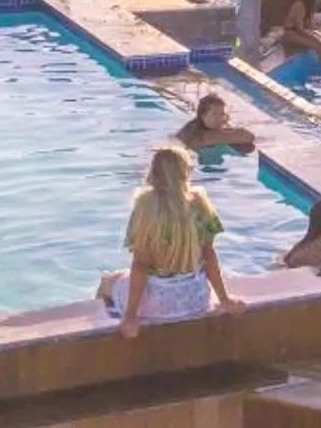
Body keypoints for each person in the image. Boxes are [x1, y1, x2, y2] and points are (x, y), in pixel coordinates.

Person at [105, 145, 243, 338]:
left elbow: (141, 264)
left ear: (154, 172)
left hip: (158, 304)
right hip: (196, 298)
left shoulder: (145, 206)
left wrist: (130, 315)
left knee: (108, 281)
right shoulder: (200, 203)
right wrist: (224, 299)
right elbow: (209, 256)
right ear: (185, 172)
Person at [174, 92, 256, 152]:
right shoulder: (194, 132)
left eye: (221, 114)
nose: (219, 118)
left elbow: (249, 137)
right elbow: (248, 136)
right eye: (214, 114)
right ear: (203, 115)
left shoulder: (209, 127)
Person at [272, 0, 321, 70]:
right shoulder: (299, 5)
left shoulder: (309, 6)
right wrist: (313, 37)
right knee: (319, 45)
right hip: (291, 33)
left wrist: (314, 33)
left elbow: (309, 26)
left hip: (302, 31)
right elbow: (299, 29)